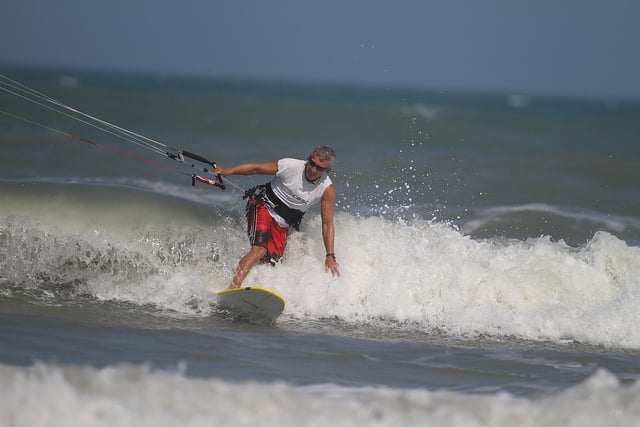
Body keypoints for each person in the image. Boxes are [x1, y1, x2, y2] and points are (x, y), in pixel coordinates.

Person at [214, 146, 340, 289]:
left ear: (327, 170)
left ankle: (250, 290)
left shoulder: (327, 189)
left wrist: (330, 255)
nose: (313, 169)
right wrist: (228, 171)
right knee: (259, 250)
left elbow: (327, 224)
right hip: (262, 206)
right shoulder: (290, 166)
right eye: (312, 163)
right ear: (309, 159)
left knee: (271, 265)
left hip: (282, 225)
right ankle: (233, 288)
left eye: (319, 168)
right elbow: (256, 169)